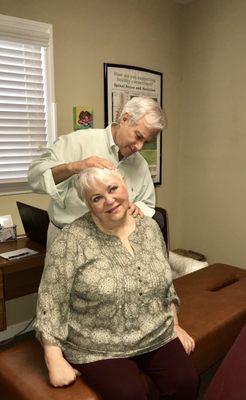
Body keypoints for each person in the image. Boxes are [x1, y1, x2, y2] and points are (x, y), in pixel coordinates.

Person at [35, 168, 198, 400]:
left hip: (154, 332)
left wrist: (175, 325)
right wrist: (54, 360)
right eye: (97, 198)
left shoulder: (149, 228)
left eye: (113, 189)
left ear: (125, 185)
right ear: (87, 204)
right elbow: (51, 301)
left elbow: (165, 285)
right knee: (130, 395)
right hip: (98, 345)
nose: (109, 200)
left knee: (186, 382)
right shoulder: (71, 241)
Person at [28, 97, 165, 247]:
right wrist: (74, 167)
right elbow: (35, 177)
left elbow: (147, 204)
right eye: (138, 136)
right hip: (68, 242)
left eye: (146, 142)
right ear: (125, 119)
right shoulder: (78, 142)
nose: (139, 147)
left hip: (115, 244)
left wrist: (137, 208)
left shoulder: (140, 165)